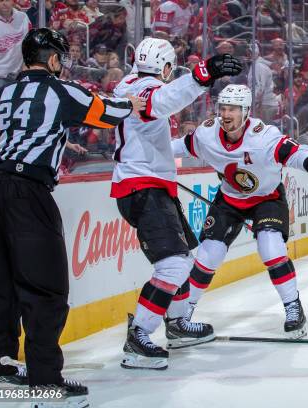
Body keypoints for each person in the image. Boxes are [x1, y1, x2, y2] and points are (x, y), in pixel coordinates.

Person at [0, 28, 141, 404]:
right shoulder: (61, 90)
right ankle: (46, 380)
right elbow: (106, 113)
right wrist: (132, 104)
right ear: (53, 60)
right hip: (29, 192)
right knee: (45, 288)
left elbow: (16, 133)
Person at [112, 38, 242, 370]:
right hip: (142, 188)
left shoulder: (130, 83)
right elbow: (163, 101)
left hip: (151, 185)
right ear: (167, 67)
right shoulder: (142, 89)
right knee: (173, 266)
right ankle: (139, 334)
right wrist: (202, 75)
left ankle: (178, 322)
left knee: (185, 255)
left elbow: (157, 116)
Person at [171, 84, 308, 340]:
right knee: (208, 255)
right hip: (229, 198)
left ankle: (294, 308)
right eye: (223, 108)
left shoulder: (264, 136)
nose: (226, 114)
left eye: (234, 109)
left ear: (247, 111)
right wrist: (143, 156)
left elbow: (295, 153)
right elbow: (178, 147)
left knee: (270, 246)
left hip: (267, 198)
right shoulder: (207, 134)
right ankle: (182, 316)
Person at [0, 0, 31, 93]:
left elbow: (29, 44)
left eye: (7, 0)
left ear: (13, 1)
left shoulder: (23, 17)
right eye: (0, 0)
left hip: (19, 76)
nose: (4, 3)